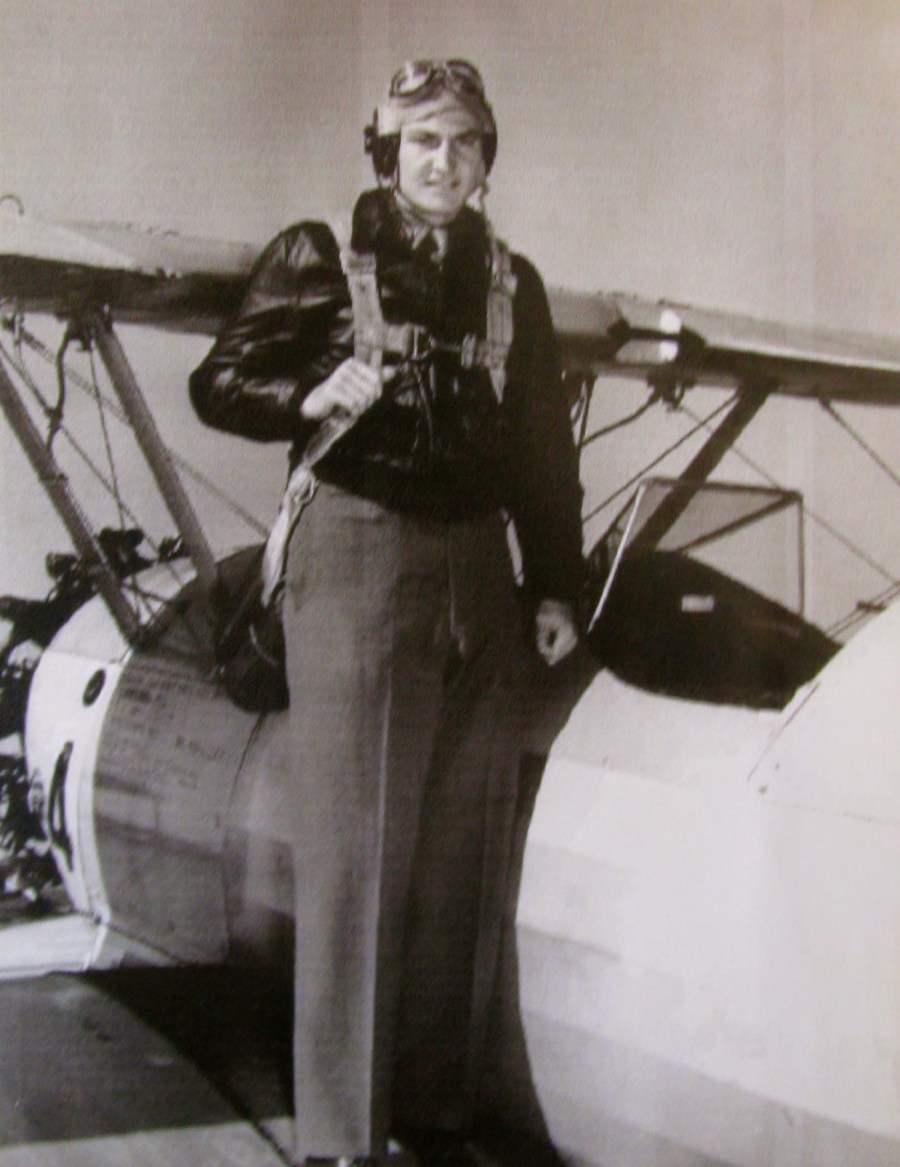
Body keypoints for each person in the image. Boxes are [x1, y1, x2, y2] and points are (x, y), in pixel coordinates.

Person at [190, 59, 583, 1167]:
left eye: (462, 143)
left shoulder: (515, 285)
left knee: (461, 856)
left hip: (480, 568)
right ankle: (344, 1143)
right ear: (386, 154)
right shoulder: (319, 257)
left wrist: (551, 581)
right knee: (358, 859)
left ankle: (436, 1118)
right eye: (421, 143)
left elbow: (545, 451)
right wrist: (307, 395)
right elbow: (220, 382)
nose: (442, 162)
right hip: (357, 553)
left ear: (485, 159)